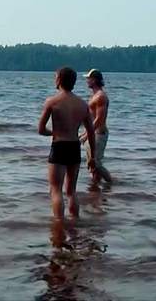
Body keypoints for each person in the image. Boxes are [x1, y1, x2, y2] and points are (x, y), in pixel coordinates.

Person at [38, 67, 96, 220]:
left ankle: (59, 222)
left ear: (59, 80)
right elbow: (91, 132)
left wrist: (53, 132)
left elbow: (41, 129)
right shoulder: (83, 104)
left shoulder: (52, 102)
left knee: (56, 190)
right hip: (74, 146)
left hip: (59, 146)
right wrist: (93, 157)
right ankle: (74, 222)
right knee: (71, 191)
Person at [81, 69, 114, 183]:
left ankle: (111, 183)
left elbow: (99, 119)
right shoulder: (95, 96)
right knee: (92, 165)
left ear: (94, 80)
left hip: (98, 134)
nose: (86, 80)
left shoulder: (101, 96)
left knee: (96, 164)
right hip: (93, 133)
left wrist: (87, 134)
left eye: (88, 78)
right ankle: (95, 188)